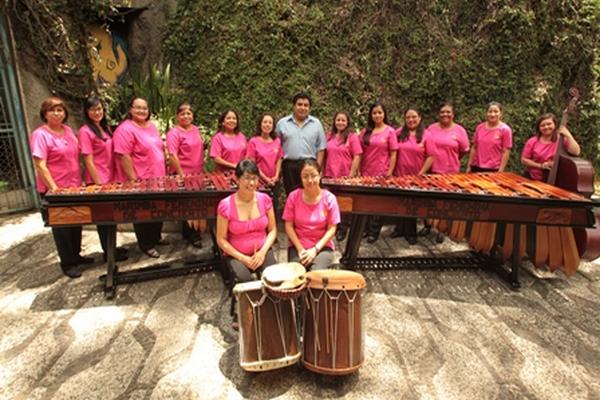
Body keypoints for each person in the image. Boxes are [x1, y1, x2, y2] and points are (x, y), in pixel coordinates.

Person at [30, 97, 93, 278]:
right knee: (62, 227)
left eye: (60, 110)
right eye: (52, 110)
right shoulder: (40, 135)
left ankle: (77, 255)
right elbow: (40, 164)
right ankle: (68, 263)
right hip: (55, 190)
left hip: (73, 186)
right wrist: (54, 188)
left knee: (76, 222)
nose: (57, 113)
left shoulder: (67, 131)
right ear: (45, 114)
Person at [113, 97, 167, 258]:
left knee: (158, 209)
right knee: (144, 212)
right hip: (141, 178)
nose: (142, 111)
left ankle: (156, 238)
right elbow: (124, 155)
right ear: (130, 110)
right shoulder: (125, 129)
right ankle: (146, 244)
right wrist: (133, 180)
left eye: (144, 108)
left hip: (158, 177)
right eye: (138, 108)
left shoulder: (151, 127)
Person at [79, 95, 128, 262]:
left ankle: (112, 249)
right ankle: (108, 253)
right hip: (98, 181)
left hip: (111, 178)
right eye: (93, 109)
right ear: (87, 112)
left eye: (99, 108)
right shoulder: (85, 131)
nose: (97, 112)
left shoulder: (104, 128)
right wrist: (99, 183)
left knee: (111, 217)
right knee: (103, 217)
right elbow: (88, 159)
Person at [216, 159, 277, 283]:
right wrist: (243, 258)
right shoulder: (225, 205)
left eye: (254, 178)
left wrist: (262, 252)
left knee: (273, 277)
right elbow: (221, 239)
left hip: (262, 250)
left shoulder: (265, 200)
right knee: (244, 280)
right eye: (247, 178)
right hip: (237, 254)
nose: (251, 182)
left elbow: (273, 230)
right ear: (237, 179)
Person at [283, 159, 340, 270]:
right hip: (298, 245)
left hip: (322, 246)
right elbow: (288, 226)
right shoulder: (293, 197)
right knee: (297, 274)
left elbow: (332, 229)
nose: (310, 180)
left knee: (315, 275)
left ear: (320, 175)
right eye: (305, 176)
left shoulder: (329, 198)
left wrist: (315, 249)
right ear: (300, 177)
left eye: (313, 175)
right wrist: (300, 249)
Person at [166, 102, 204, 248]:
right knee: (189, 206)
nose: (186, 116)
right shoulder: (174, 133)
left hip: (197, 173)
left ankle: (189, 233)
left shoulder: (195, 129)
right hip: (183, 174)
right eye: (183, 114)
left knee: (196, 204)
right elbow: (172, 155)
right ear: (177, 116)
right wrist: (181, 174)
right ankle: (193, 236)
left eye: (188, 113)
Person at [359, 101, 398, 243]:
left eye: (380, 112)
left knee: (377, 203)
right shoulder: (365, 132)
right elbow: (360, 152)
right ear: (371, 115)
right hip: (365, 172)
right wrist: (358, 170)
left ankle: (374, 232)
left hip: (382, 172)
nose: (377, 115)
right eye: (374, 113)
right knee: (365, 202)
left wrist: (390, 171)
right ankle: (365, 229)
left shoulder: (390, 131)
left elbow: (393, 153)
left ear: (384, 114)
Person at [275, 92, 326, 194]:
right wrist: (278, 169)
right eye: (299, 104)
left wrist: (317, 168)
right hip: (289, 166)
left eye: (306, 105)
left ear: (309, 108)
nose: (302, 108)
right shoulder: (282, 123)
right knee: (292, 195)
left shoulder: (316, 124)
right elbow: (276, 148)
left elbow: (321, 148)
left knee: (311, 195)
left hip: (310, 165)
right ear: (294, 106)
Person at [390, 107, 428, 244]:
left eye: (414, 117)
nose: (411, 120)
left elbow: (431, 156)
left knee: (412, 205)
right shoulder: (398, 133)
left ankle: (411, 233)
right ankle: (399, 229)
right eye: (408, 118)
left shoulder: (426, 135)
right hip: (399, 175)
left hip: (416, 177)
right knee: (399, 203)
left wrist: (422, 173)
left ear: (419, 118)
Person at [323, 111, 362, 241]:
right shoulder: (329, 136)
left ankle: (343, 228)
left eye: (343, 120)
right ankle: (333, 227)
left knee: (344, 203)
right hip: (330, 175)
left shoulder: (352, 137)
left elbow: (357, 156)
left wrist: (351, 174)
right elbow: (324, 154)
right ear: (334, 121)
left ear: (347, 122)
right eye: (338, 120)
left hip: (344, 176)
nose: (340, 122)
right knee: (330, 203)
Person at [521, 113, 581, 181]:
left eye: (549, 124)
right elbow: (524, 160)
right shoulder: (532, 141)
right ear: (539, 128)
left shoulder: (561, 140)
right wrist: (541, 166)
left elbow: (576, 152)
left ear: (555, 125)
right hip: (534, 178)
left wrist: (568, 135)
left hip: (557, 179)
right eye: (542, 125)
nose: (546, 127)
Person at [246, 113, 283, 212]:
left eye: (270, 123)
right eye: (265, 122)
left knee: (273, 208)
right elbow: (252, 164)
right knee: (259, 209)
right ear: (260, 124)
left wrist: (276, 176)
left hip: (274, 181)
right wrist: (265, 179)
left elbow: (279, 159)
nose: (267, 125)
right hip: (259, 182)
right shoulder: (253, 142)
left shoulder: (277, 141)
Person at [423, 102, 470, 174]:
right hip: (431, 170)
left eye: (448, 112)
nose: (445, 114)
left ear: (453, 114)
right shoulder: (431, 128)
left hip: (451, 172)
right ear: (438, 114)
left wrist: (452, 157)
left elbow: (464, 150)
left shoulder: (460, 130)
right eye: (442, 112)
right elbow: (425, 148)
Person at [466, 102, 512, 173]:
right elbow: (474, 147)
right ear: (486, 113)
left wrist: (501, 170)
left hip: (494, 169)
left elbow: (506, 152)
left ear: (501, 113)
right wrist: (469, 166)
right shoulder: (479, 127)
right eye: (490, 111)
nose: (493, 114)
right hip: (476, 167)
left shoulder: (505, 130)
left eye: (496, 111)